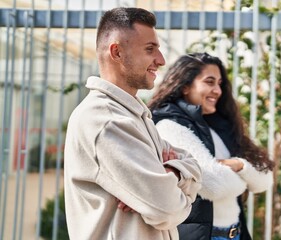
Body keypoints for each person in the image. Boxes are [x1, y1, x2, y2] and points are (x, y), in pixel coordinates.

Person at [64, 7, 202, 240]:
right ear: (116, 52)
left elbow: (195, 167)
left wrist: (173, 174)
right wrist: (172, 187)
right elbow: (168, 209)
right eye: (150, 49)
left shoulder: (132, 115)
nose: (161, 60)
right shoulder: (105, 120)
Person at [147, 52, 275, 240]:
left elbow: (265, 179)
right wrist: (247, 177)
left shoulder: (220, 127)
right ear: (185, 86)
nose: (218, 90)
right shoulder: (170, 126)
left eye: (219, 83)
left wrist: (239, 165)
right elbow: (214, 185)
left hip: (236, 233)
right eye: (209, 82)